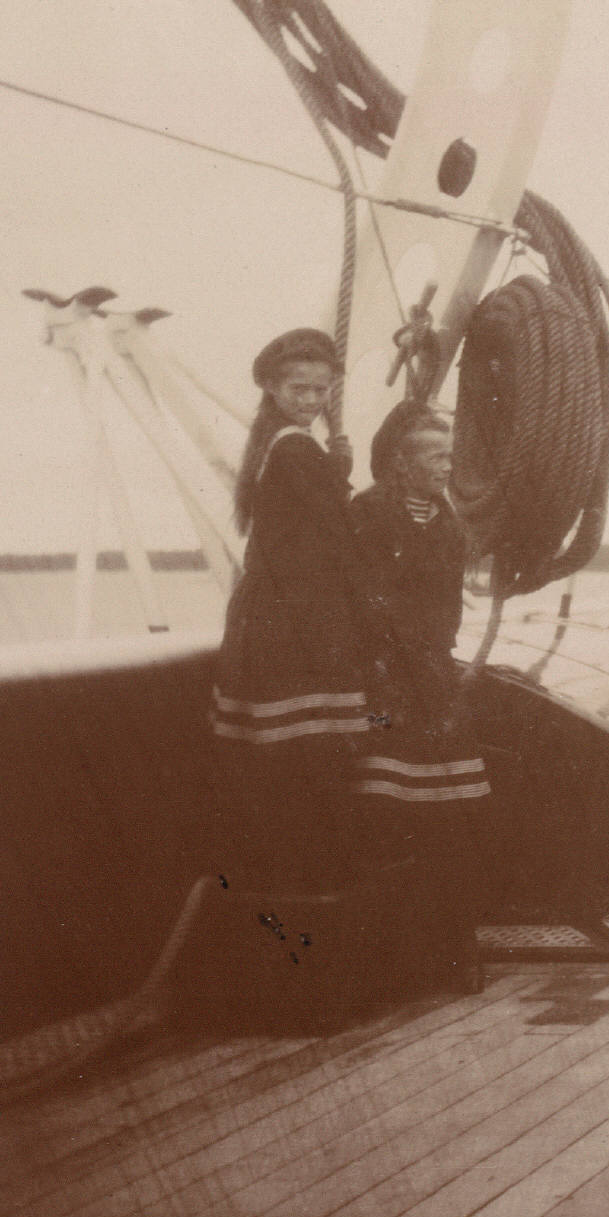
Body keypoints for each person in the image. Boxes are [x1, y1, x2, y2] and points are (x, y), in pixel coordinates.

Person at [211, 328, 375, 896]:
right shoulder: (296, 448)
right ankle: (314, 882)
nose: (311, 400)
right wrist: (341, 468)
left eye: (321, 390)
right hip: (296, 621)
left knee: (283, 758)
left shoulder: (275, 442)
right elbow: (339, 532)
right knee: (311, 757)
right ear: (273, 389)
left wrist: (337, 465)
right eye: (298, 389)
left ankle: (286, 881)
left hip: (271, 615)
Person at [350, 400, 492, 994]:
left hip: (432, 683)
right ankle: (393, 962)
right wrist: (402, 664)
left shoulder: (448, 524)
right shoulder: (367, 515)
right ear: (401, 463)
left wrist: (438, 668)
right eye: (435, 456)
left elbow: (448, 609)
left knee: (450, 821)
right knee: (390, 818)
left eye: (449, 456)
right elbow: (365, 603)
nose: (446, 467)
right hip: (385, 688)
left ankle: (452, 953)